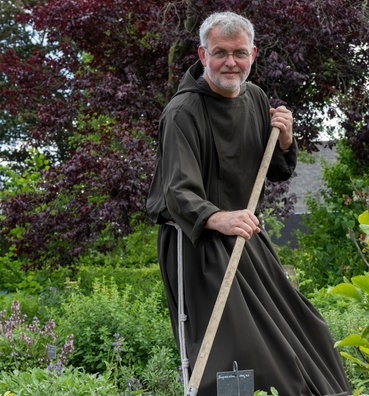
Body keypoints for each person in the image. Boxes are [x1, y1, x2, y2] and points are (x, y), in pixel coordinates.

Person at [146, 11, 351, 396]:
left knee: (307, 331)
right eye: (220, 52)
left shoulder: (255, 98)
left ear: (253, 53)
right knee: (239, 350)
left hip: (246, 235)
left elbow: (274, 171)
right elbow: (177, 192)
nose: (230, 62)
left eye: (239, 53)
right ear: (203, 54)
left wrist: (286, 140)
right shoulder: (182, 113)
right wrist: (217, 217)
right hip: (198, 245)